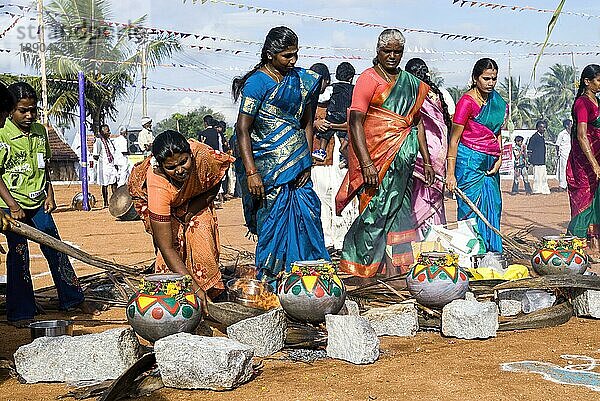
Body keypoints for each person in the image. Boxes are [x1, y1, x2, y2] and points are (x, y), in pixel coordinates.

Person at [232, 26, 330, 282]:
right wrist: (252, 173)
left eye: (295, 54)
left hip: (299, 168)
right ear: (269, 54)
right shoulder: (256, 84)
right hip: (268, 171)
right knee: (272, 224)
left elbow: (307, 122)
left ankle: (310, 280)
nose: (293, 61)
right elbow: (243, 129)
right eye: (287, 56)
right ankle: (273, 282)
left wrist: (306, 163)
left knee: (308, 215)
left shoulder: (304, 80)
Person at [335, 29, 435, 277]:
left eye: (397, 51)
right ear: (377, 51)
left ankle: (396, 271)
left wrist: (427, 160)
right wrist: (366, 164)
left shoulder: (411, 84)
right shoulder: (368, 79)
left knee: (400, 215)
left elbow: (416, 123)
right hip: (376, 165)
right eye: (387, 51)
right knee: (373, 216)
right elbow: (355, 121)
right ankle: (362, 270)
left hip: (404, 164)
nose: (392, 56)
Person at [0, 82, 96, 326]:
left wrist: (49, 193)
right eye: (23, 110)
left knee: (56, 247)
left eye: (33, 110)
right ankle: (21, 312)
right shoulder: (1, 132)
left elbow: (45, 167)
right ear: (11, 110)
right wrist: (12, 206)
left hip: (37, 202)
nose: (29, 115)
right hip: (10, 207)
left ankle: (72, 299)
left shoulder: (40, 133)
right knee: (19, 254)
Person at [129, 130, 234, 307]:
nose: (179, 170)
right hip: (150, 200)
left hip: (192, 198)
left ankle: (210, 289)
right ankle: (179, 294)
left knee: (200, 227)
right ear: (161, 167)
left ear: (190, 154)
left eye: (183, 162)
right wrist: (194, 289)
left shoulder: (202, 155)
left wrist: (191, 211)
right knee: (173, 240)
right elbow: (166, 247)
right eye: (171, 167)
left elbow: (216, 180)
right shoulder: (157, 184)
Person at [446, 58, 507, 253]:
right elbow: (454, 139)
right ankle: (471, 254)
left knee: (493, 207)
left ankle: (491, 252)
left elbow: (497, 132)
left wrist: (499, 157)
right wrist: (450, 173)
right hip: (469, 163)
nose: (490, 83)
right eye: (486, 78)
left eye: (494, 79)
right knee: (470, 210)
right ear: (475, 78)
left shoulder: (497, 102)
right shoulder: (466, 102)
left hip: (490, 165)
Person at [309, 63, 358, 251]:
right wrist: (315, 123)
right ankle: (327, 241)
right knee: (321, 200)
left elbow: (352, 124)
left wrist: (327, 126)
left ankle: (340, 242)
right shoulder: (308, 102)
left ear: (328, 82)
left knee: (337, 198)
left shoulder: (333, 96)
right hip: (318, 161)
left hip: (334, 157)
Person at [405, 58, 452, 239]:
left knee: (418, 195)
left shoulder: (411, 94)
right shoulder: (438, 94)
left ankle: (418, 239)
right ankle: (436, 237)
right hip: (439, 152)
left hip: (420, 152)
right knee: (434, 197)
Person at [566, 64, 600, 252]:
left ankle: (593, 242)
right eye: (598, 80)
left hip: (598, 158)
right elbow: (581, 135)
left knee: (597, 200)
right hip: (584, 163)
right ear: (587, 82)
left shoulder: (598, 101)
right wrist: (594, 164)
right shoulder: (582, 103)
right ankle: (576, 246)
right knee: (584, 199)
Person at [312, 62, 355, 169]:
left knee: (325, 134)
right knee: (343, 138)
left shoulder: (331, 89)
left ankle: (322, 151)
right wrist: (315, 123)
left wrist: (330, 125)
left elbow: (323, 98)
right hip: (345, 117)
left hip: (333, 117)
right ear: (351, 78)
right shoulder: (354, 89)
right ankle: (345, 155)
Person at [93, 124, 118, 207]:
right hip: (104, 167)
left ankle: (115, 200)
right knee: (105, 184)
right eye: (107, 131)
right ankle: (105, 202)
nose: (109, 132)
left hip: (111, 165)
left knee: (114, 183)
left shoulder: (109, 141)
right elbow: (95, 155)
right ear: (102, 132)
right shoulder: (99, 141)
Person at [527, 120, 550, 195]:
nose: (543, 129)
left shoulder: (542, 137)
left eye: (544, 127)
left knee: (543, 176)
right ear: (537, 128)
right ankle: (536, 189)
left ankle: (544, 189)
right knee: (537, 176)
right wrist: (530, 160)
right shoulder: (534, 137)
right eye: (541, 127)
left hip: (542, 160)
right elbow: (529, 149)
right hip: (536, 160)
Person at [554, 119, 572, 191]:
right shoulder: (562, 134)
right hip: (563, 154)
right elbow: (557, 145)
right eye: (571, 124)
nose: (572, 126)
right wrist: (558, 154)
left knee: (570, 170)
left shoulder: (573, 133)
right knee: (563, 169)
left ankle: (569, 185)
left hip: (571, 154)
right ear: (567, 125)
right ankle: (562, 185)